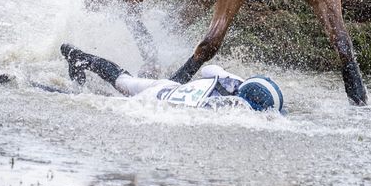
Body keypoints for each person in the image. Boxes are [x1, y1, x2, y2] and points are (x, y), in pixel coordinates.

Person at [60, 44, 284, 112]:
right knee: (112, 98)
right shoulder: (237, 111)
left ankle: (80, 57)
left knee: (124, 81)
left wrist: (234, 79)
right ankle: (56, 91)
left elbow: (208, 70)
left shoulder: (233, 83)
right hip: (157, 99)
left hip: (168, 87)